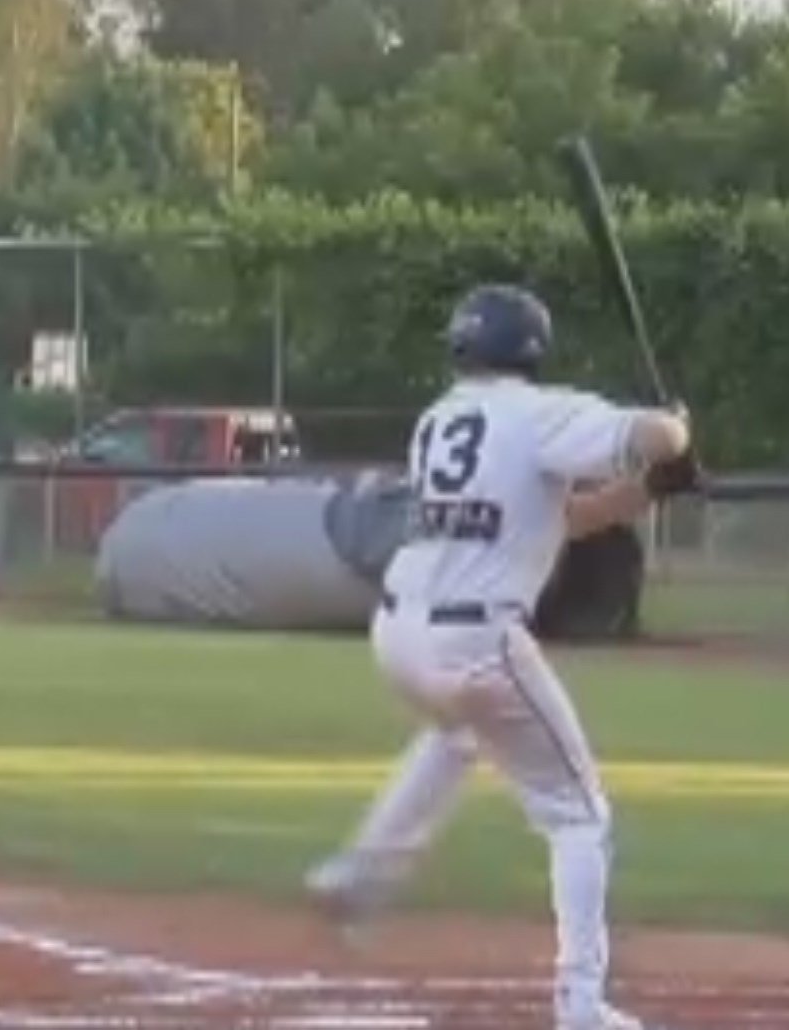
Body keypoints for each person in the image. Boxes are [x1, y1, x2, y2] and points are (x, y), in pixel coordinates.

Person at [303, 284, 696, 1030]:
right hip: (476, 641)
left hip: (398, 635)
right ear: (532, 348)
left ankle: (361, 872)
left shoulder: (440, 419)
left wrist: (647, 492)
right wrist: (674, 435)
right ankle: (581, 1005)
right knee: (580, 817)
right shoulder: (538, 411)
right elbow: (653, 435)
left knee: (457, 736)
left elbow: (562, 519)